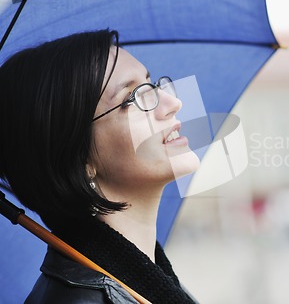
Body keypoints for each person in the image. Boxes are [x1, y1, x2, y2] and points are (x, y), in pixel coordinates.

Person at [0, 30, 200, 303]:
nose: (173, 103)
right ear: (79, 159)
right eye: (132, 97)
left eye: (151, 85)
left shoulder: (157, 284)